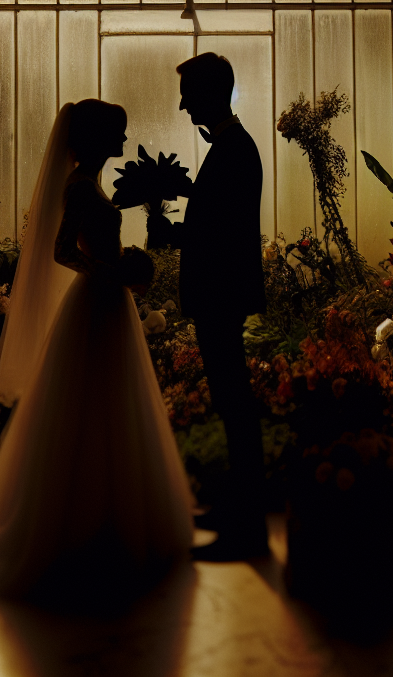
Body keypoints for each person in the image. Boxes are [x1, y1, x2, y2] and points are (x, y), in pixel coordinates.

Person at [0, 100, 194, 599]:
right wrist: (113, 271)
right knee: (88, 403)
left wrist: (121, 272)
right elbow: (61, 251)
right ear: (98, 138)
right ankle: (82, 523)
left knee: (111, 405)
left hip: (108, 302)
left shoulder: (88, 182)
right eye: (117, 134)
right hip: (96, 302)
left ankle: (113, 516)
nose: (123, 141)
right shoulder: (77, 186)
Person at [153, 53, 268, 561]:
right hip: (221, 296)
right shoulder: (232, 148)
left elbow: (218, 236)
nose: (181, 106)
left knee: (235, 406)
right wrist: (177, 220)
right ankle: (236, 513)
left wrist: (175, 231)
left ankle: (248, 530)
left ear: (207, 95)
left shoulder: (234, 151)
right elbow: (217, 226)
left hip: (220, 297)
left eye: (187, 94)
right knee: (230, 404)